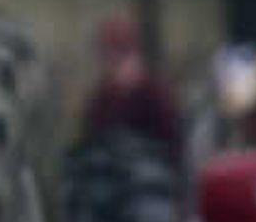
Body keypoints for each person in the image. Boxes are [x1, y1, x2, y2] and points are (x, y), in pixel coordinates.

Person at [79, 14, 187, 156]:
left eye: (121, 57)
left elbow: (173, 143)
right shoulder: (102, 98)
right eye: (107, 57)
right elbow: (91, 137)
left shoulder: (154, 93)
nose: (114, 65)